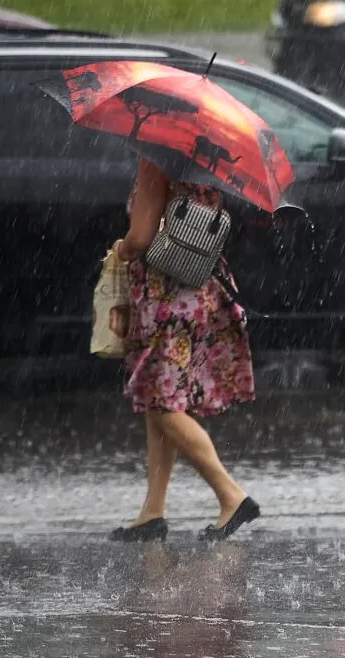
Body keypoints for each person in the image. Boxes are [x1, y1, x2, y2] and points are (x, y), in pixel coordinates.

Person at [107, 157, 260, 542]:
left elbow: (141, 237)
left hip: (165, 294)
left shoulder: (157, 160)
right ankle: (152, 511)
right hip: (198, 289)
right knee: (158, 399)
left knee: (161, 402)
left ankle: (231, 496)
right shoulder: (208, 159)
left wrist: (121, 248)